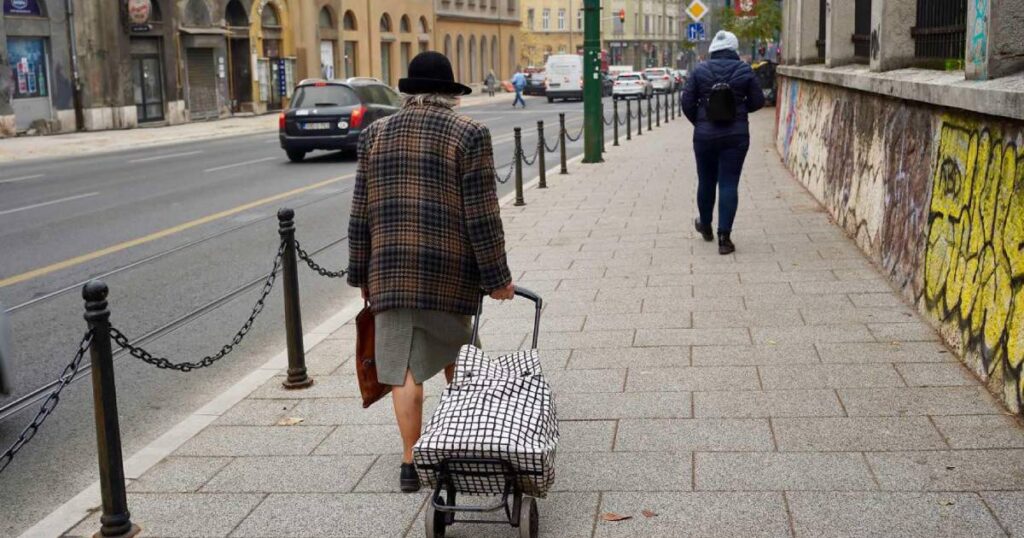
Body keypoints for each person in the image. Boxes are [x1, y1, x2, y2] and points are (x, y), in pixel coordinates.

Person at [347, 51, 515, 493]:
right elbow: (482, 215)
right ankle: (466, 441)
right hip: (449, 269)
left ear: (409, 93)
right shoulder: (470, 134)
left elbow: (359, 212)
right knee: (462, 354)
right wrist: (497, 278)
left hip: (389, 269)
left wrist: (359, 271)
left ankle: (410, 460)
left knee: (403, 367)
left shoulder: (375, 135)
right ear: (449, 95)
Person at [681, 30, 765, 255]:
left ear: (712, 51)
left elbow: (687, 102)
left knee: (706, 180)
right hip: (735, 136)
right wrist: (739, 110)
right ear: (734, 49)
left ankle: (706, 225)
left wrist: (700, 121)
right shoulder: (744, 70)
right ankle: (724, 238)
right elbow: (758, 101)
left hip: (704, 136)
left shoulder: (699, 70)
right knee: (729, 183)